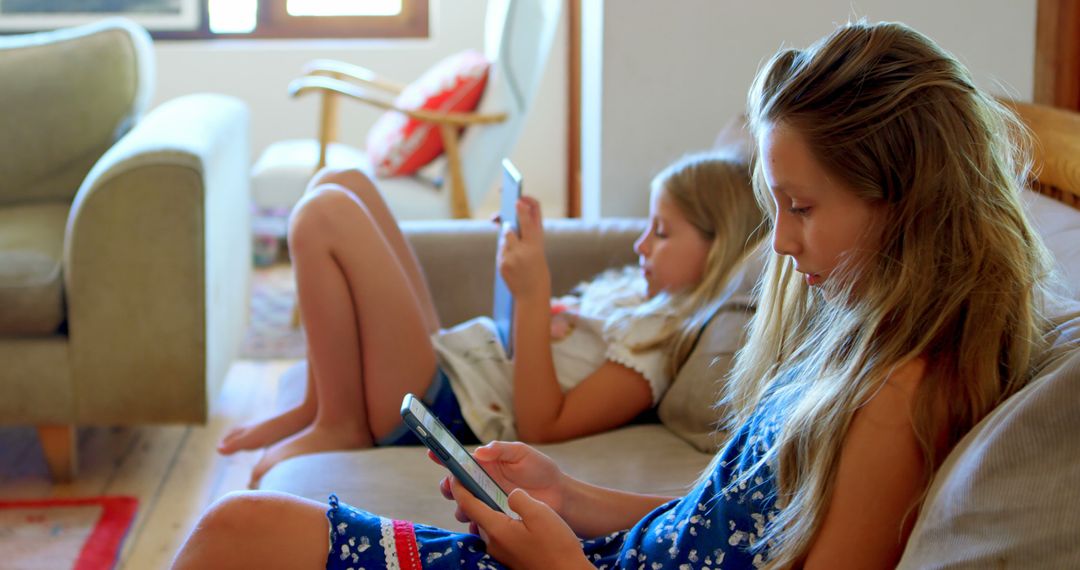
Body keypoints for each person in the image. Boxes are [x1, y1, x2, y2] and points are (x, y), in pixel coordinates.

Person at [173, 21, 1053, 569]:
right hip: (606, 553)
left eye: (803, 208)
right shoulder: (859, 342)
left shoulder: (900, 401)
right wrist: (572, 499)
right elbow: (730, 531)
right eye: (774, 207)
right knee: (243, 531)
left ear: (904, 197)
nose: (780, 242)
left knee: (238, 537)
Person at [218, 149, 767, 486]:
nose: (640, 243)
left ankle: (340, 424)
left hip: (441, 407)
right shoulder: (639, 296)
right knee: (343, 181)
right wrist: (550, 317)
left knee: (323, 216)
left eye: (663, 233)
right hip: (459, 358)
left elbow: (543, 425)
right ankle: (320, 405)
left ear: (718, 250)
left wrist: (532, 297)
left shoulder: (658, 350)